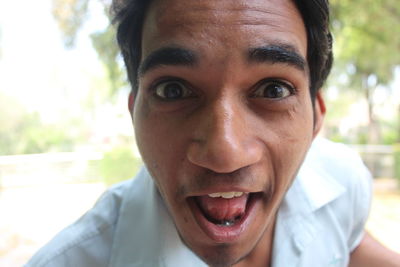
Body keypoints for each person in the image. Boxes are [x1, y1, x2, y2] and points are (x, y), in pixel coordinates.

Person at [26, 0, 400, 266]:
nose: (226, 152)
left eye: (273, 90)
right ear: (133, 112)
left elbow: (348, 246)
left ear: (316, 118)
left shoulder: (341, 182)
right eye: (173, 90)